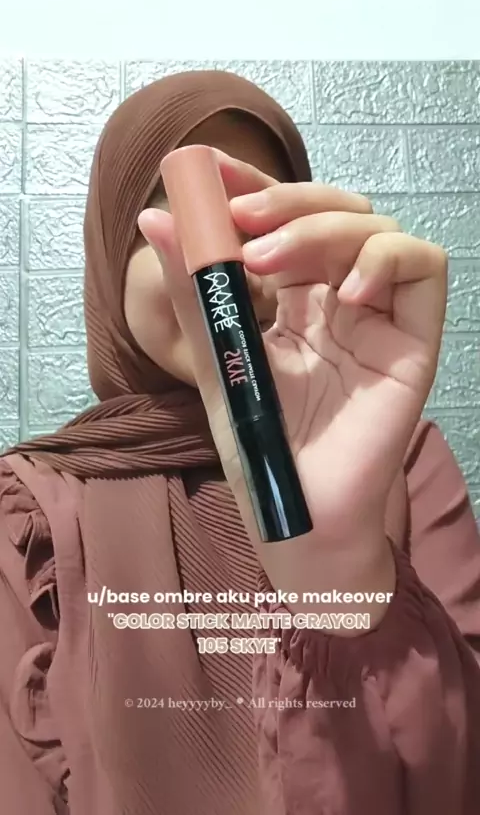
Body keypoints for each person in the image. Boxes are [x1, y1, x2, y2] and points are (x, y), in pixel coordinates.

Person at [0, 70, 479, 815]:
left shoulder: (404, 463)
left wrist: (340, 579)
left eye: (259, 226)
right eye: (183, 220)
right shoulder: (28, 511)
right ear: (109, 252)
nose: (219, 267)